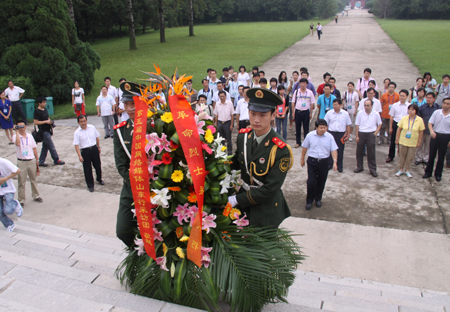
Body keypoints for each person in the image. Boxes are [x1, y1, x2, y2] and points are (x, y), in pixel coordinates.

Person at [228, 88, 293, 228]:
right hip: (244, 205)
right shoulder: (243, 136)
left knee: (263, 247)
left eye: (263, 115)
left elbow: (270, 189)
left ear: (273, 115)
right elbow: (237, 162)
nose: (256, 120)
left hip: (266, 209)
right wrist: (213, 164)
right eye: (252, 114)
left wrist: (236, 199)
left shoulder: (280, 149)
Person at [113, 82, 143, 247]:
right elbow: (121, 165)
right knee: (122, 230)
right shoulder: (120, 131)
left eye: (134, 104)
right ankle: (136, 251)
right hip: (131, 189)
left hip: (155, 190)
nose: (130, 108)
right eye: (126, 104)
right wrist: (137, 181)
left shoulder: (155, 127)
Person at [301, 119, 338, 210]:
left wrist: (335, 162)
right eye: (321, 128)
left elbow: (333, 150)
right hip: (312, 161)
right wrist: (302, 159)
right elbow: (305, 148)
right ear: (316, 127)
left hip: (324, 162)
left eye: (324, 127)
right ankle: (309, 200)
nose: (323, 129)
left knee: (321, 181)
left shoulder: (329, 137)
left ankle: (318, 199)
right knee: (311, 182)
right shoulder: (310, 136)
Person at [12, 120, 42, 206]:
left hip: (31, 160)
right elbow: (17, 143)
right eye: (19, 127)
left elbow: (34, 148)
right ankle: (21, 199)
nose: (21, 128)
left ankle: (36, 195)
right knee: (21, 182)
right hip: (22, 161)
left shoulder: (29, 136)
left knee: (33, 179)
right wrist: (17, 132)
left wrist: (37, 160)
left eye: (23, 126)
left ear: (25, 127)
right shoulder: (15, 136)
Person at [422, 97, 450, 182]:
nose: (445, 105)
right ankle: (428, 172)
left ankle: (438, 174)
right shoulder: (437, 112)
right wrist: (431, 131)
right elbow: (430, 123)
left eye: (448, 104)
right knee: (432, 155)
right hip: (435, 135)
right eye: (444, 103)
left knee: (441, 156)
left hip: (445, 137)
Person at [73, 115, 104, 192]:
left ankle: (99, 179)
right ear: (78, 123)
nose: (83, 123)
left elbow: (97, 137)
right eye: (81, 122)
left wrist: (98, 147)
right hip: (85, 151)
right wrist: (79, 156)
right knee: (87, 169)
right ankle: (90, 185)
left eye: (84, 121)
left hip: (94, 148)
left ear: (86, 120)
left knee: (97, 165)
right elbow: (76, 145)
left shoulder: (92, 127)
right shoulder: (77, 132)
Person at [394, 104, 425, 178]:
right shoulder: (404, 118)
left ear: (416, 111)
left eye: (412, 110)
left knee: (410, 156)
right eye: (409, 109)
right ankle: (400, 169)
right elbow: (399, 129)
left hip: (413, 141)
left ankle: (407, 170)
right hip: (403, 140)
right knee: (402, 155)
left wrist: (419, 141)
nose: (410, 111)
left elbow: (421, 131)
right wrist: (397, 139)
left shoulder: (419, 120)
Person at [33, 96, 65, 167]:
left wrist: (50, 121)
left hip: (48, 130)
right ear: (39, 103)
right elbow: (36, 122)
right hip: (43, 131)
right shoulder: (37, 112)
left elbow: (47, 118)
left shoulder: (45, 109)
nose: (45, 103)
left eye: (45, 102)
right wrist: (46, 122)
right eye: (43, 102)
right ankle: (56, 159)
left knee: (45, 147)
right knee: (51, 146)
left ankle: (41, 161)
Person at [354, 99, 382, 177]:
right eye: (365, 105)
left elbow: (380, 124)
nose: (366, 107)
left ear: (371, 106)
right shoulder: (360, 113)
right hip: (362, 133)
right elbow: (357, 125)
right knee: (359, 151)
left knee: (371, 152)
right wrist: (357, 136)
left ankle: (372, 169)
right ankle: (359, 167)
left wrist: (375, 133)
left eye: (368, 105)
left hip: (371, 133)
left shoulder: (376, 114)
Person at [324, 99, 352, 172]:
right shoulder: (329, 113)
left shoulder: (345, 114)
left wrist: (348, 135)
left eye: (336, 105)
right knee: (330, 149)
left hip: (341, 134)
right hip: (331, 133)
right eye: (333, 104)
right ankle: (330, 164)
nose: (334, 106)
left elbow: (348, 125)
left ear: (340, 105)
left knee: (340, 150)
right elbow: (325, 124)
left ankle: (339, 166)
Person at [0, 157, 23, 232]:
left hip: (8, 190)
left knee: (8, 210)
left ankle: (15, 203)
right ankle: (9, 224)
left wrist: (5, 179)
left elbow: (17, 170)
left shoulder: (4, 162)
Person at [386, 89, 410, 163]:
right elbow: (391, 116)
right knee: (393, 141)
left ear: (406, 97)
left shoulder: (409, 106)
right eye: (401, 96)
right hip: (396, 124)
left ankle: (403, 157)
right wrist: (390, 127)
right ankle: (391, 156)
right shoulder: (395, 105)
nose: (402, 97)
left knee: (404, 141)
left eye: (403, 96)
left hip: (406, 125)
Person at [416, 92, 439, 165]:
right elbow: (418, 118)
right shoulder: (422, 107)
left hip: (432, 130)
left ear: (434, 99)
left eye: (430, 98)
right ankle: (418, 158)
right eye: (427, 97)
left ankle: (426, 158)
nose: (428, 99)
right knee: (419, 144)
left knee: (428, 146)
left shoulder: (437, 108)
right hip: (422, 129)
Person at [292, 78, 315, 147]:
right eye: (301, 83)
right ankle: (298, 142)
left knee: (306, 128)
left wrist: (311, 112)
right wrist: (293, 112)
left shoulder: (310, 92)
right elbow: (293, 103)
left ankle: (306, 142)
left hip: (306, 112)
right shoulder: (296, 92)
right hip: (298, 111)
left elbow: (312, 103)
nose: (303, 84)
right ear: (299, 84)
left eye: (304, 83)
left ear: (307, 84)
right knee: (297, 127)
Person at [214, 91, 235, 155]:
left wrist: (231, 125)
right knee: (221, 140)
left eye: (223, 96)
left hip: (227, 123)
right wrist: (216, 125)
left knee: (229, 140)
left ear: (226, 96)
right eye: (221, 96)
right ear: (219, 97)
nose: (222, 97)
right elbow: (216, 115)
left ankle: (230, 153)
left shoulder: (229, 103)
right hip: (220, 123)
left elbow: (232, 114)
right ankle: (222, 153)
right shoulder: (217, 104)